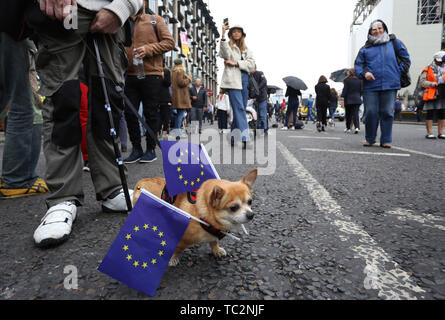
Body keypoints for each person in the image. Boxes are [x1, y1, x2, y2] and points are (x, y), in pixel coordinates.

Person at [30, 0, 144, 248]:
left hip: (113, 15)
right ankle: (63, 197)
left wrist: (123, 7)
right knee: (63, 100)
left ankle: (113, 188)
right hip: (63, 11)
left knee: (109, 104)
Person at [0, 3, 49, 199]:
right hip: (11, 29)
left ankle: (16, 176)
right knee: (23, 106)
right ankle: (17, 179)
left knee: (10, 101)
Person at [123, 8, 175, 164]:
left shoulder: (155, 19)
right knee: (130, 113)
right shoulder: (121, 20)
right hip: (129, 74)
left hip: (152, 73)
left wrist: (148, 49)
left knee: (150, 112)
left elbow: (170, 42)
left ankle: (150, 149)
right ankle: (136, 149)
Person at [355, 19, 411, 148]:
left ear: (384, 29)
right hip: (370, 86)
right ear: (370, 32)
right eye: (374, 29)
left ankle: (386, 140)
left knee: (387, 112)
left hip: (390, 84)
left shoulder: (395, 43)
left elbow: (406, 59)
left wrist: (397, 72)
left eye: (379, 28)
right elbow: (358, 66)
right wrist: (365, 74)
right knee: (370, 112)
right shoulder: (365, 49)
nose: (377, 31)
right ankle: (370, 138)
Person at [220, 22, 255, 149]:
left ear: (242, 34)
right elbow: (224, 54)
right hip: (232, 80)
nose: (236, 33)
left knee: (240, 108)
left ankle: (233, 136)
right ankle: (245, 137)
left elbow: (251, 65)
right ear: (231, 34)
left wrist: (236, 63)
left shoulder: (247, 50)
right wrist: (223, 34)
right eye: (234, 31)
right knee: (240, 109)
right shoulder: (228, 46)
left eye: (238, 31)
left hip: (244, 79)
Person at [420, 51, 445, 139]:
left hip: (442, 93)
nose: (441, 62)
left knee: (442, 113)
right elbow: (422, 82)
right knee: (430, 113)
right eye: (440, 60)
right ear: (435, 59)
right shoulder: (428, 68)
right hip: (431, 93)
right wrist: (432, 84)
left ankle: (441, 133)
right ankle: (429, 133)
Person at [171, 59, 192, 140]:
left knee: (179, 115)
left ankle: (177, 131)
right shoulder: (180, 71)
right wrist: (189, 79)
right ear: (181, 64)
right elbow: (181, 83)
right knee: (181, 114)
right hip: (181, 96)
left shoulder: (173, 72)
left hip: (176, 96)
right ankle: (178, 133)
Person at [342, 68, 363, 134]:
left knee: (348, 114)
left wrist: (342, 95)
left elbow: (345, 90)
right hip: (357, 99)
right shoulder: (360, 80)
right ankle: (357, 127)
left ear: (350, 72)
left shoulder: (346, 80)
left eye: (348, 72)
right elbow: (361, 91)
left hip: (348, 99)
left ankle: (348, 128)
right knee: (355, 114)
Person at [251, 66, 269, 133]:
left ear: (255, 68)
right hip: (255, 99)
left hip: (262, 98)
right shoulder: (250, 76)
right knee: (257, 115)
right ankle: (258, 129)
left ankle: (264, 129)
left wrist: (257, 88)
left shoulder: (260, 73)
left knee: (262, 115)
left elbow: (264, 81)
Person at [159, 67, 172, 140]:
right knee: (158, 117)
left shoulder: (167, 71)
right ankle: (157, 133)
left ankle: (164, 133)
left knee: (166, 117)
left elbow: (168, 83)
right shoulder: (154, 71)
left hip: (166, 98)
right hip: (157, 97)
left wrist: (163, 77)